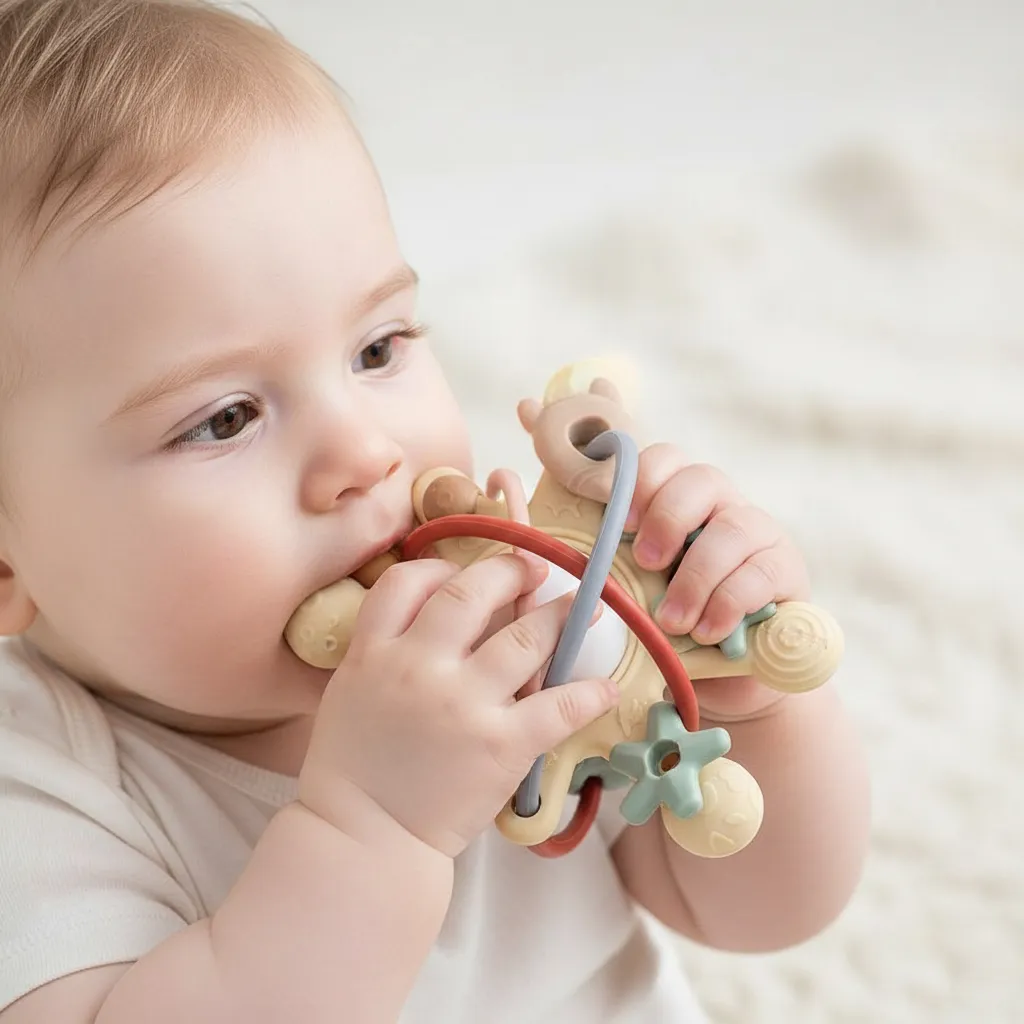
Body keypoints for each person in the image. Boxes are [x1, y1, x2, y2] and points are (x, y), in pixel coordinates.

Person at [0, 2, 871, 1021]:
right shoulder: (40, 796)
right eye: (225, 417)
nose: (366, 454)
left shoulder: (544, 619)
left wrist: (748, 697)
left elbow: (762, 908)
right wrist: (373, 823)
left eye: (377, 348)